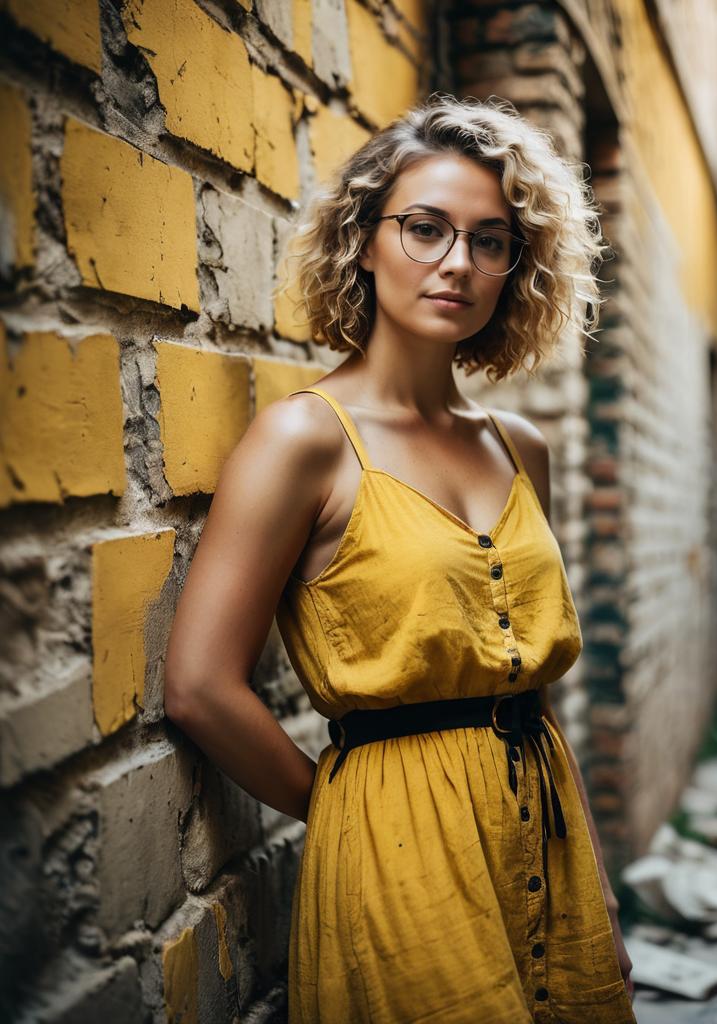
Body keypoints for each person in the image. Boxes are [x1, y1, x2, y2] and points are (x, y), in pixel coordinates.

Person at [164, 92, 636, 1023]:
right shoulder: (303, 440)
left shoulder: (519, 445)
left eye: (491, 241)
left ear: (516, 267)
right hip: (396, 861)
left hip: (546, 842)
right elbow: (200, 687)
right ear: (364, 240)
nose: (457, 263)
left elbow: (529, 693)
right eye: (425, 229)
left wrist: (599, 882)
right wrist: (356, 811)